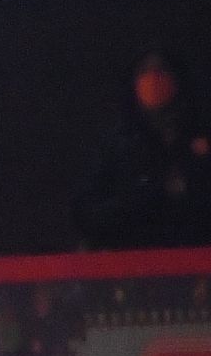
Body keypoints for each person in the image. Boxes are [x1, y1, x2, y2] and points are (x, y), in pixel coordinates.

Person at [75, 47, 211, 250]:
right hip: (131, 263)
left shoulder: (199, 136)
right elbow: (86, 212)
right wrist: (143, 198)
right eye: (145, 72)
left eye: (162, 71)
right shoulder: (115, 144)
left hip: (194, 260)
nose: (154, 79)